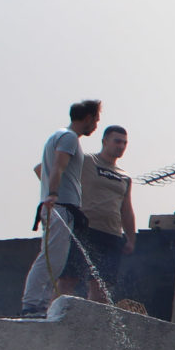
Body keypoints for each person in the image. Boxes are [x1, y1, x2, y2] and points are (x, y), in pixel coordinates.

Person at [21, 99, 103, 316]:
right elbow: (58, 165)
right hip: (60, 207)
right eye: (96, 120)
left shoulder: (58, 136)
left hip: (59, 207)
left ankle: (39, 305)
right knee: (50, 258)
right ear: (88, 118)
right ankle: (32, 304)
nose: (96, 126)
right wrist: (53, 194)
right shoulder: (69, 138)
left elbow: (41, 168)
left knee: (55, 260)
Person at [77, 124, 137, 298]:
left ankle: (95, 314)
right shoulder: (86, 161)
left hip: (112, 234)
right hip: (85, 229)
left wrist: (131, 238)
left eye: (124, 143)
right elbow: (50, 169)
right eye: (117, 141)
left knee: (102, 286)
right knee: (69, 277)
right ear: (105, 141)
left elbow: (126, 208)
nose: (121, 146)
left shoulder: (125, 176)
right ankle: (54, 311)